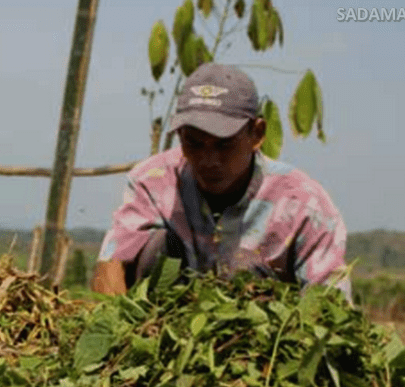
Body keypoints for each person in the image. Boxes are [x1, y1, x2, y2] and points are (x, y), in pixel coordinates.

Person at [92, 63, 350, 298]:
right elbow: (111, 266)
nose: (208, 160)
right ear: (180, 134)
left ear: (257, 134)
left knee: (251, 267)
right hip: (162, 322)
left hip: (261, 330)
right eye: (193, 143)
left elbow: (328, 304)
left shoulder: (303, 203)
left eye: (224, 145)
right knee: (155, 248)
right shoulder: (152, 182)